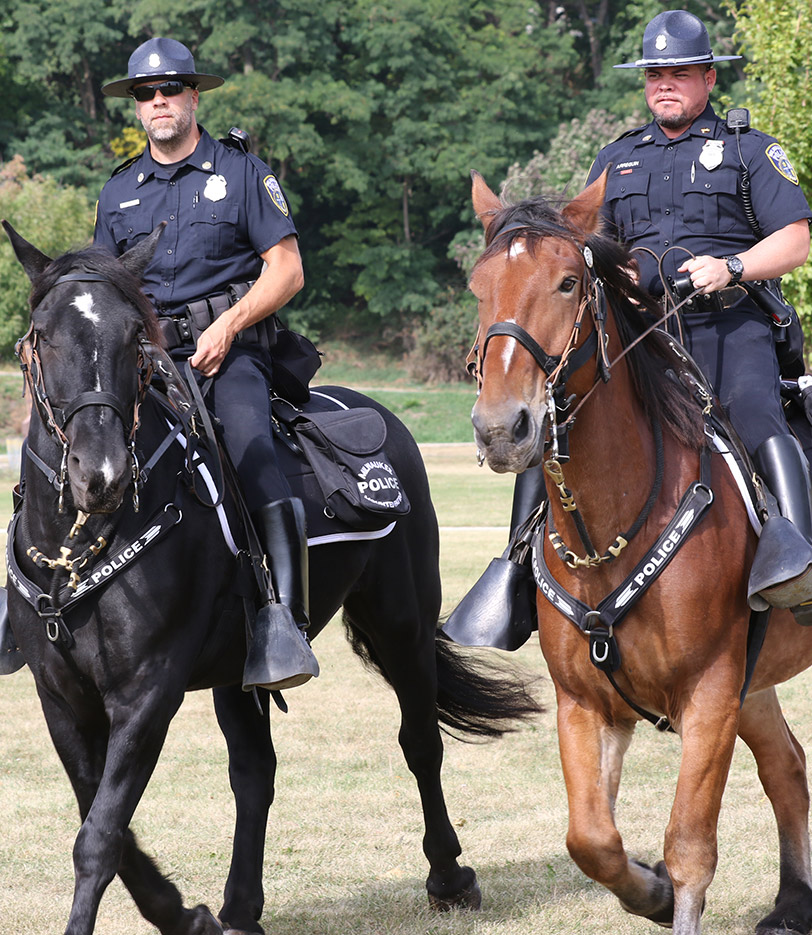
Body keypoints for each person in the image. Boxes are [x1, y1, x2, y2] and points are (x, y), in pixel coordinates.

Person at [445, 9, 812, 649]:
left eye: (678, 72)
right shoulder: (617, 158)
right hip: (642, 333)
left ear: (707, 77)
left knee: (757, 417)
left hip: (729, 325)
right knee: (559, 425)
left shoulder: (749, 150)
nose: (664, 83)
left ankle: (792, 554)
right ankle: (513, 574)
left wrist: (731, 266)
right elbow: (587, 251)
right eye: (654, 74)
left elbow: (797, 239)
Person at [0, 37, 319, 690]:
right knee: (59, 452)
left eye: (171, 89)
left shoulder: (240, 174)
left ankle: (281, 618)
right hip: (143, 363)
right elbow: (94, 297)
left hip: (226, 356)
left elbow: (286, 270)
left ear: (193, 96)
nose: (159, 102)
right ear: (137, 108)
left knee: (253, 450)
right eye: (146, 94)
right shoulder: (119, 192)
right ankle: (22, 605)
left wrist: (230, 324)